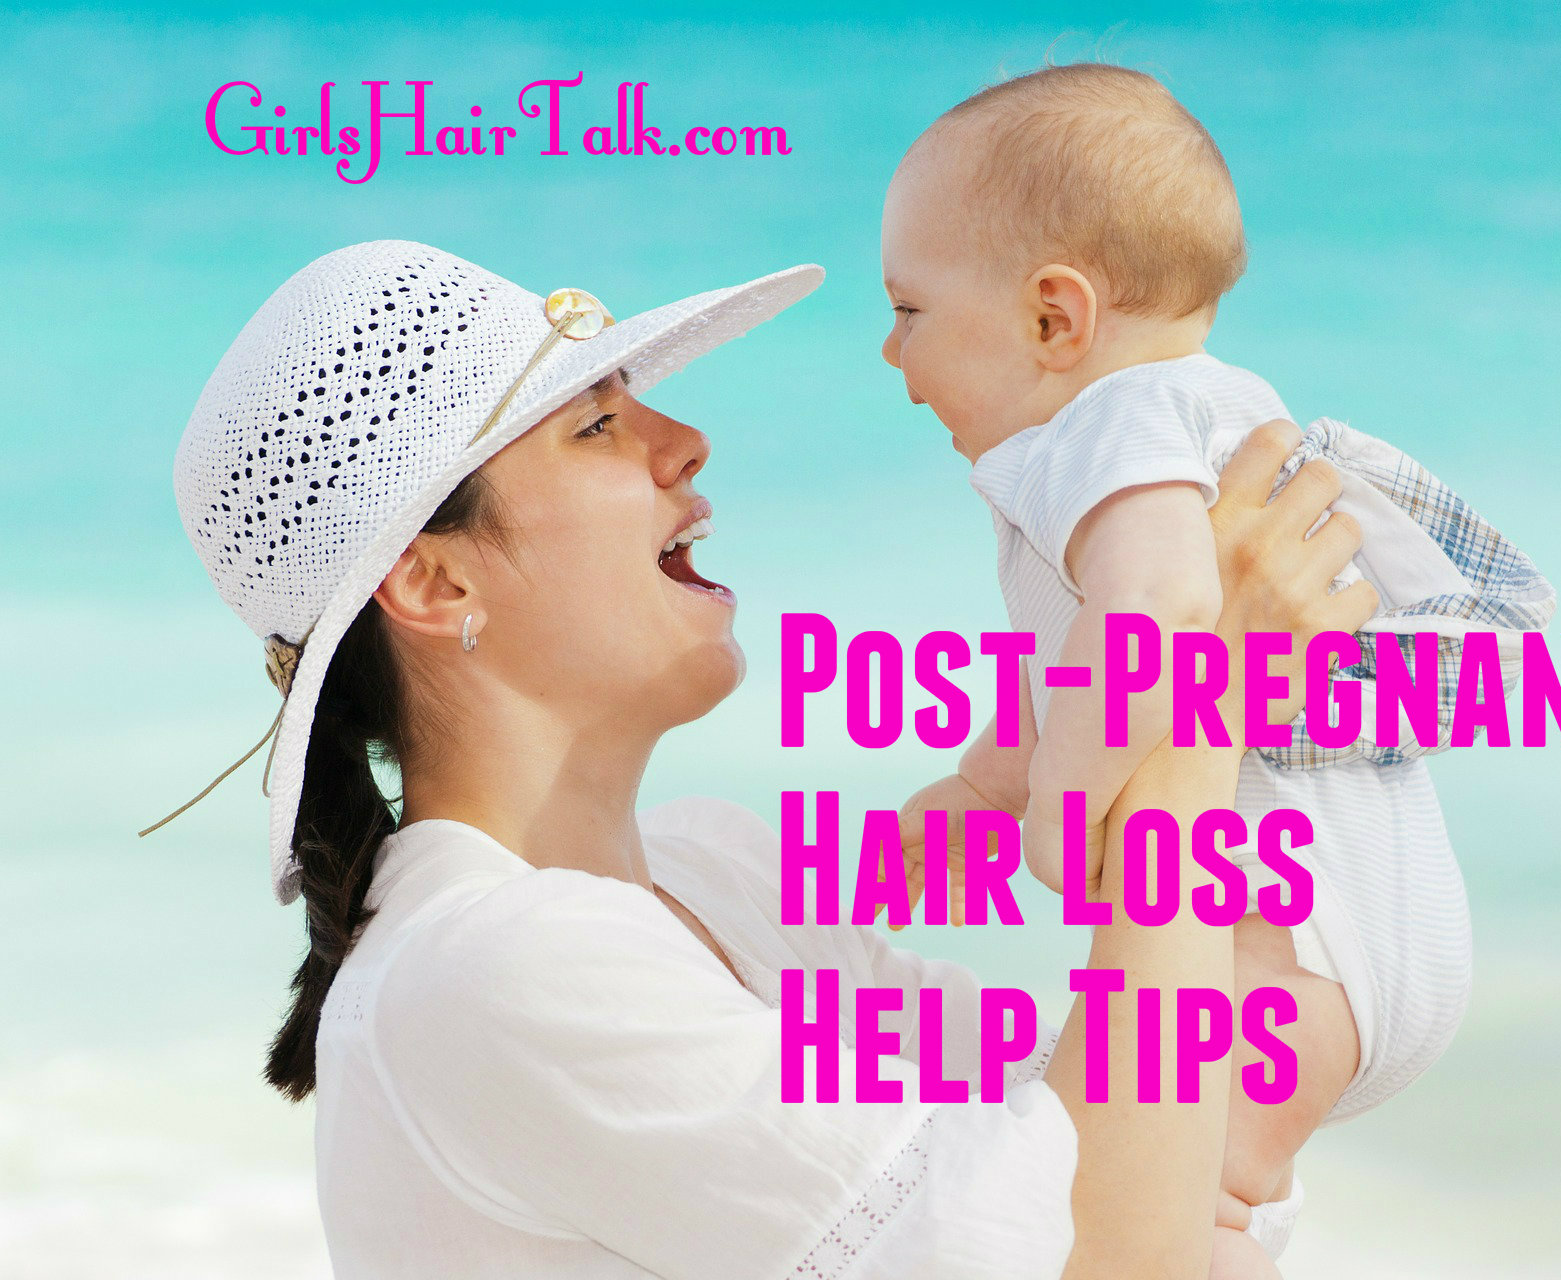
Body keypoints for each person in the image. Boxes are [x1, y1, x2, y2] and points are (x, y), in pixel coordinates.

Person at [144, 238, 1377, 1279]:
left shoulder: (718, 873)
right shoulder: (490, 969)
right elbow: (1111, 1244)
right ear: (435, 576)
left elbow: (1160, 1151)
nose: (686, 442)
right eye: (598, 424)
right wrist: (1190, 692)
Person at [877, 64, 1557, 1272]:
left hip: (1281, 940)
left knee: (1118, 1195)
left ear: (1054, 318)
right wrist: (984, 789)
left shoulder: (1108, 426)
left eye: (913, 309)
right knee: (1206, 1201)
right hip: (1358, 937)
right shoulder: (1214, 411)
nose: (890, 352)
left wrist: (1062, 810)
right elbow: (1078, 659)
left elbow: (1164, 608)